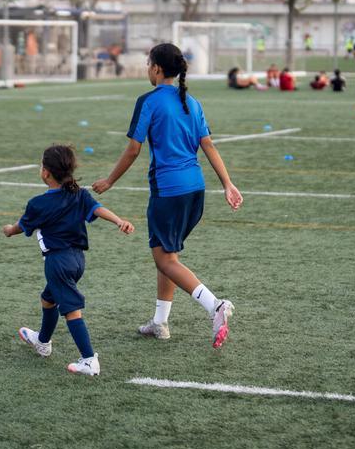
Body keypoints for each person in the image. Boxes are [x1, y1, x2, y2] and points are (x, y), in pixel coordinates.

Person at [92, 43, 244, 348]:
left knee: (164, 258)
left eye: (149, 64)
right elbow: (209, 145)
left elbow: (134, 149)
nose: (148, 69)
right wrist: (227, 184)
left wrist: (110, 180)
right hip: (195, 189)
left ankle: (215, 305)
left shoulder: (148, 101)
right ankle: (160, 322)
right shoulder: (192, 102)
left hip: (168, 191)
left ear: (157, 69)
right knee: (167, 255)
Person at [4, 145, 134, 376]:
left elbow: (19, 227)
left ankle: (88, 360)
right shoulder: (79, 194)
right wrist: (118, 220)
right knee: (48, 299)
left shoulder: (38, 204)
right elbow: (98, 209)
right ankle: (42, 341)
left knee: (71, 310)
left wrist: (8, 230)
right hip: (77, 261)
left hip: (57, 263)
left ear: (46, 172)